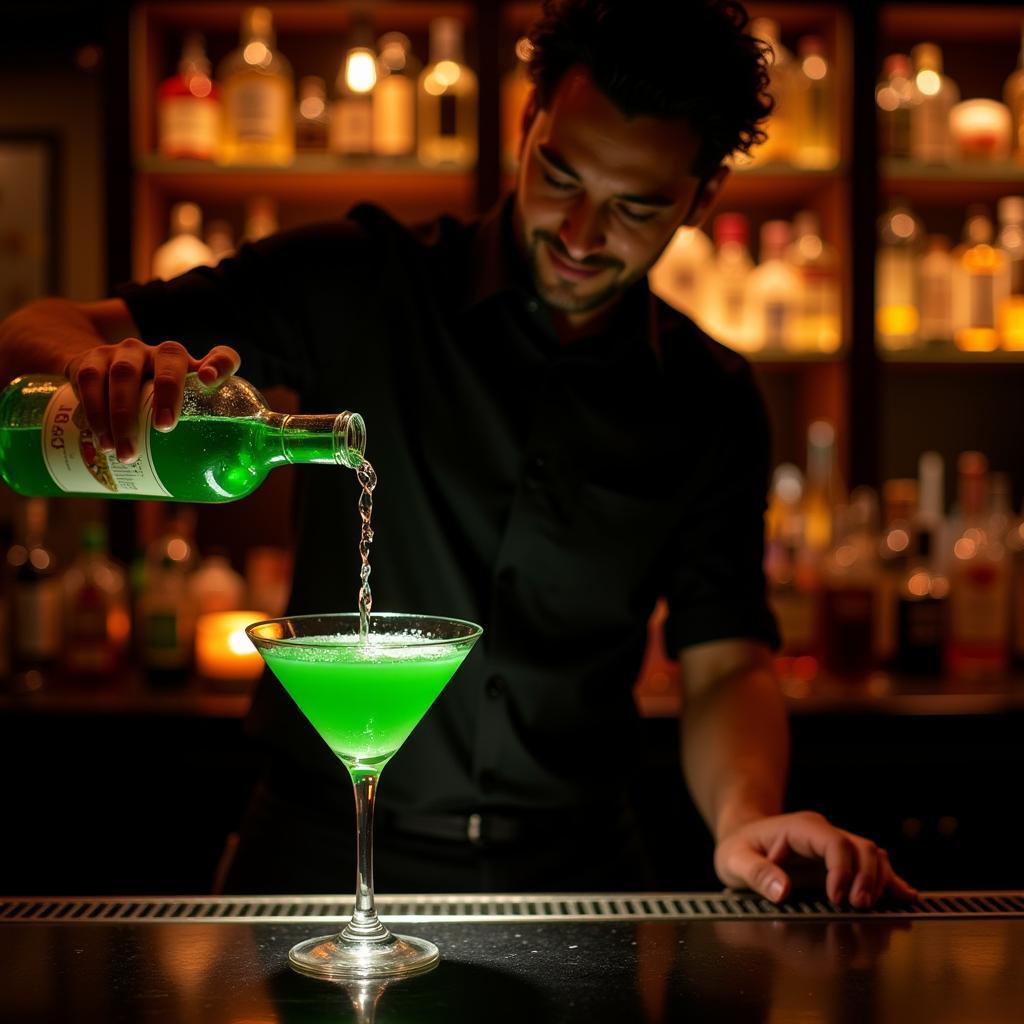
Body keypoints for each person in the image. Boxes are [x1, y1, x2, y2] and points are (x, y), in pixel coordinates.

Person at [0, 0, 917, 906]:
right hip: (314, 848)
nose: (580, 234)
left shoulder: (709, 399)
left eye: (635, 208)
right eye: (559, 175)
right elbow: (31, 333)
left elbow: (726, 660)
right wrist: (90, 365)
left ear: (703, 196)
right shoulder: (359, 278)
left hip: (576, 867)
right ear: (528, 126)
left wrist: (744, 816)